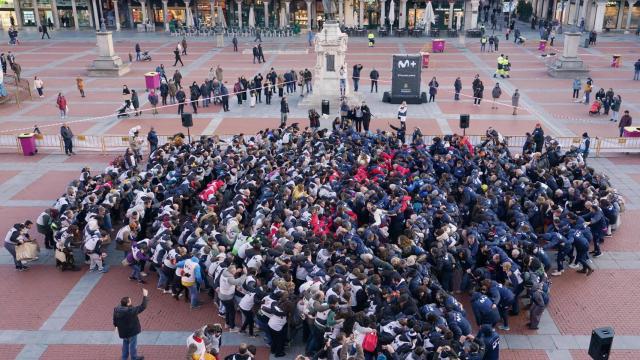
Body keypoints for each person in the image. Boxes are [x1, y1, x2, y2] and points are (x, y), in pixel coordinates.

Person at [113, 288, 148, 360]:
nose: (131, 301)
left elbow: (114, 319)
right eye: (130, 301)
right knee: (133, 345)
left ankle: (124, 357)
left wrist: (116, 326)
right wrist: (145, 296)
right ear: (127, 303)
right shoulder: (130, 311)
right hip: (132, 331)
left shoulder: (116, 309)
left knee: (125, 343)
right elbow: (143, 306)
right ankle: (134, 358)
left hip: (123, 331)